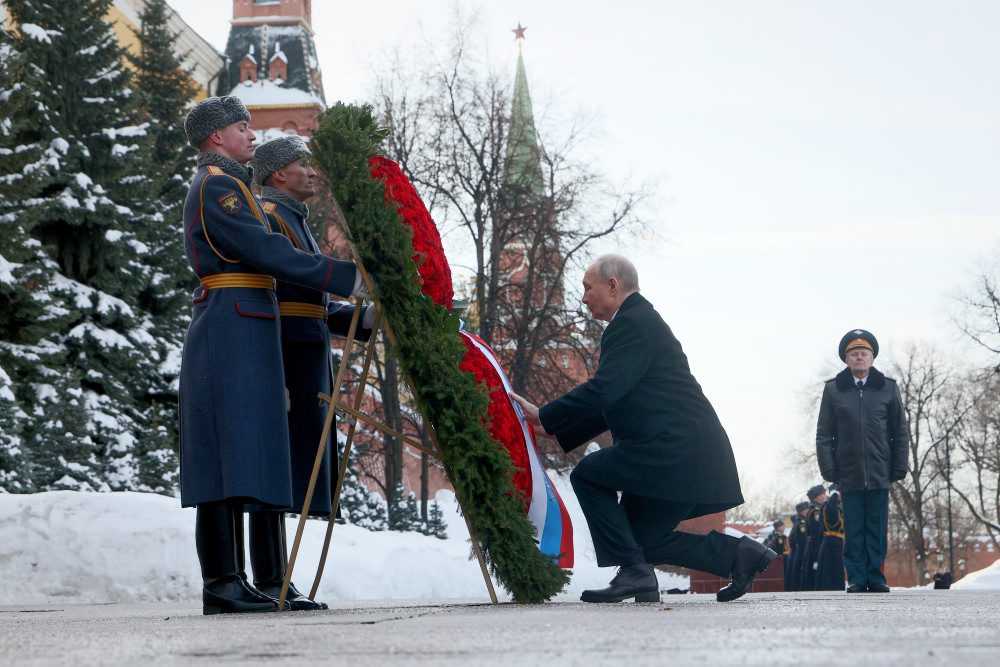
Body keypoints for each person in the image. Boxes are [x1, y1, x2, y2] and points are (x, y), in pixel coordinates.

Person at [179, 96, 369, 615]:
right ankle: (223, 581)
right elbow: (268, 253)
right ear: (217, 136)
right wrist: (349, 278)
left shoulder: (230, 184)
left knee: (245, 455)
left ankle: (244, 580)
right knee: (226, 457)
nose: (251, 136)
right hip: (230, 319)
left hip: (245, 319)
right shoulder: (219, 185)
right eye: (244, 127)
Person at [510, 255, 774, 604]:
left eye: (589, 287)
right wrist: (557, 430)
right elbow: (617, 398)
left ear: (613, 285)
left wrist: (547, 414)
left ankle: (635, 572)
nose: (584, 296)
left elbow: (604, 389)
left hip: (676, 448)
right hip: (679, 447)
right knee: (641, 540)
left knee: (589, 474)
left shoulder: (632, 323)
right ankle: (735, 557)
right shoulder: (636, 321)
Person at [247, 135, 376, 611]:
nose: (312, 171)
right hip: (287, 357)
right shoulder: (271, 218)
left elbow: (311, 304)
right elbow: (279, 300)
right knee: (278, 466)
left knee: (294, 465)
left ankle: (277, 577)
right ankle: (270, 577)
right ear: (279, 174)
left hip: (307, 355)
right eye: (303, 164)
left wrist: (359, 320)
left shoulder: (294, 219)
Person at [816, 329, 909, 594]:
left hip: (880, 471)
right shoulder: (834, 390)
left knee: (876, 528)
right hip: (848, 472)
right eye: (854, 354)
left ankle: (876, 577)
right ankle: (856, 577)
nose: (859, 358)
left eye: (864, 354)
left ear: (872, 358)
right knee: (854, 529)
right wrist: (829, 469)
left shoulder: (888, 388)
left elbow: (899, 431)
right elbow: (824, 434)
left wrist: (898, 466)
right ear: (846, 359)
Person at [815, 488, 846, 591]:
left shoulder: (836, 506)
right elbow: (832, 520)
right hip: (832, 541)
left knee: (835, 567)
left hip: (835, 541)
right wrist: (834, 495)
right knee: (831, 569)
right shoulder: (829, 506)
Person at [798, 484, 826, 591]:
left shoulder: (817, 509)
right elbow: (815, 535)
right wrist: (816, 557)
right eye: (823, 493)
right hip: (814, 548)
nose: (825, 495)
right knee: (813, 578)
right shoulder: (815, 512)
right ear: (817, 496)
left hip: (814, 547)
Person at [786, 501, 809, 592]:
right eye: (806, 509)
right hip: (801, 552)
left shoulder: (797, 521)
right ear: (802, 511)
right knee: (799, 573)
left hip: (797, 552)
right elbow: (803, 540)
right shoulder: (801, 523)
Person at [763, 519, 789, 590]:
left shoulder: (772, 535)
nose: (784, 527)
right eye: (783, 526)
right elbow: (780, 550)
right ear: (779, 527)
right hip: (781, 561)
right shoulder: (779, 537)